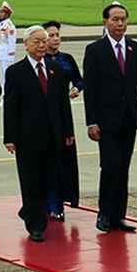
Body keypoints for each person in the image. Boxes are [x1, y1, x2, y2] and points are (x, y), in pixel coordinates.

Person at [83, 1, 137, 234]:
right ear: (105, 23)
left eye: (123, 19)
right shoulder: (95, 50)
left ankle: (118, 216)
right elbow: (91, 89)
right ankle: (104, 213)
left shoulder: (136, 48)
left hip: (128, 118)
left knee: (123, 167)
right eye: (115, 19)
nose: (120, 23)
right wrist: (91, 122)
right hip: (105, 121)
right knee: (110, 165)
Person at [3, 25, 74, 242]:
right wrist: (10, 137)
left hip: (53, 135)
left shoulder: (55, 69)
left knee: (48, 179)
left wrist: (68, 131)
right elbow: (11, 107)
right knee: (30, 181)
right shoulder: (16, 72)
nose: (42, 45)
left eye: (44, 41)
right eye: (37, 41)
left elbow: (63, 104)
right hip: (28, 137)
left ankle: (29, 209)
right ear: (26, 44)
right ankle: (36, 225)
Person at [43, 20, 82, 219]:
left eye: (57, 35)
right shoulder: (39, 61)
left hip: (62, 114)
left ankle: (58, 202)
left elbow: (80, 79)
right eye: (51, 35)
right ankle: (45, 201)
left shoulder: (66, 59)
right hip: (42, 115)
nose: (55, 39)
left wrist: (77, 88)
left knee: (62, 161)